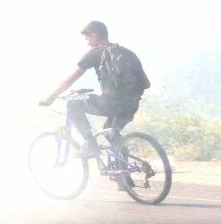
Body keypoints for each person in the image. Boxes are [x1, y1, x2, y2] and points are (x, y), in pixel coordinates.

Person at [39, 21, 151, 159]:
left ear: (94, 36)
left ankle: (90, 146)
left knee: (73, 104)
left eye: (87, 39)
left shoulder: (95, 53)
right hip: (131, 107)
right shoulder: (128, 53)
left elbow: (68, 81)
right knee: (110, 133)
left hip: (112, 105)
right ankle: (124, 175)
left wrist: (49, 98)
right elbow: (146, 84)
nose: (87, 43)